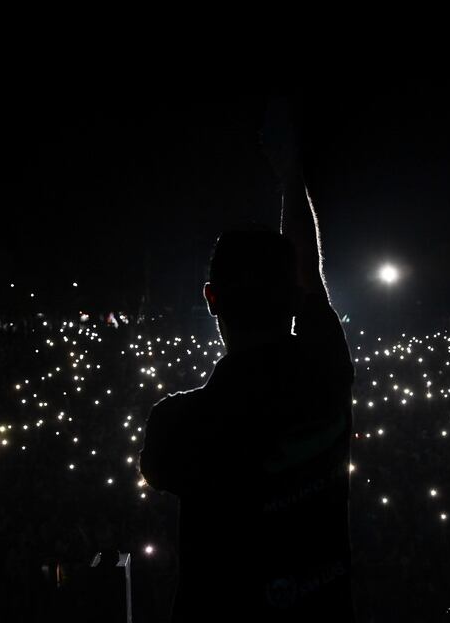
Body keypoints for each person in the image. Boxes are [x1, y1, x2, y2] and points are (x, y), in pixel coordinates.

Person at [140, 102, 355, 622]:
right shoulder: (326, 373)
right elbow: (308, 269)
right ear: (293, 297)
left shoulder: (180, 422)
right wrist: (291, 176)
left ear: (210, 299)